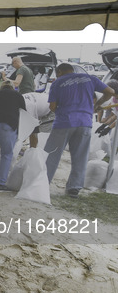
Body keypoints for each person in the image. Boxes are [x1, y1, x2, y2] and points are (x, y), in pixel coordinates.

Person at [44, 63, 115, 198]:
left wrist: (59, 108)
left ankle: (43, 182)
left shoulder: (57, 83)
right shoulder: (90, 78)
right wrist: (97, 104)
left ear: (59, 72)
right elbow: (110, 92)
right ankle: (74, 188)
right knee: (80, 156)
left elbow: (52, 106)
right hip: (85, 122)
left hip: (63, 122)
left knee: (52, 154)